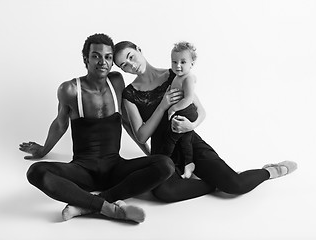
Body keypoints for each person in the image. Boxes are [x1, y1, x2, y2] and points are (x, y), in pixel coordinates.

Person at [113, 40, 297, 203]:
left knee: (235, 185)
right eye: (124, 65)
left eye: (131, 57)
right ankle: (212, 184)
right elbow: (141, 135)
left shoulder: (175, 74)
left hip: (189, 141)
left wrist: (191, 125)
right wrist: (162, 106)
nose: (131, 65)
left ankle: (272, 171)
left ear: (139, 50)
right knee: (164, 193)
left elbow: (201, 111)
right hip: (163, 152)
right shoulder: (130, 94)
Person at [19, 33, 174, 223]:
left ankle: (89, 206)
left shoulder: (116, 82)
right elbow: (60, 124)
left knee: (165, 164)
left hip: (115, 168)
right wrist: (43, 150)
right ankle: (109, 208)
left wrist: (148, 154)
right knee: (36, 172)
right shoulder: (69, 89)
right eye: (96, 56)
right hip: (83, 171)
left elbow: (125, 122)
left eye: (108, 57)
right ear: (86, 59)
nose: (103, 62)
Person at [154, 41, 199, 179]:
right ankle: (188, 163)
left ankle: (161, 163)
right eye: (174, 62)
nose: (177, 65)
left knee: (170, 139)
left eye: (183, 62)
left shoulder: (188, 78)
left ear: (192, 63)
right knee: (185, 141)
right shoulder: (178, 77)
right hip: (183, 111)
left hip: (186, 112)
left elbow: (189, 98)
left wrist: (173, 108)